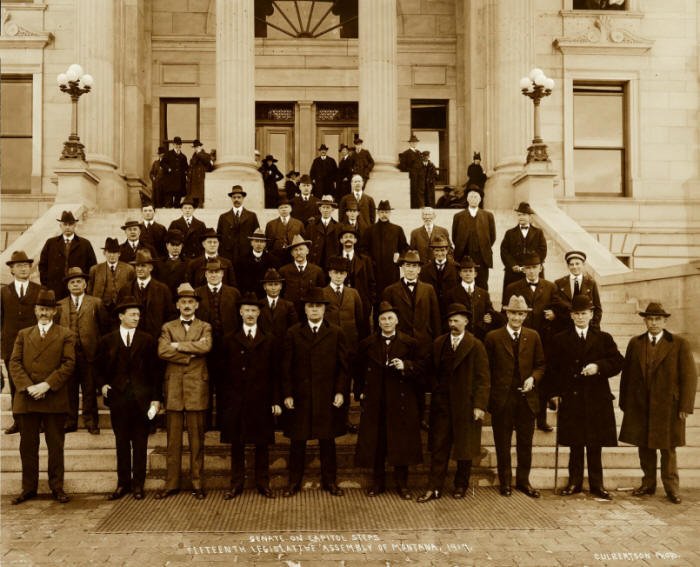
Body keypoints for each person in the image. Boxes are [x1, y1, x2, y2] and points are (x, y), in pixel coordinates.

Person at [619, 302, 698, 504]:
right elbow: (626, 375)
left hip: (668, 407)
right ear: (645, 321)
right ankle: (648, 484)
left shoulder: (679, 344)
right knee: (644, 447)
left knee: (668, 449)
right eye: (650, 319)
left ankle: (672, 488)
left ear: (664, 321)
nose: (653, 323)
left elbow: (689, 377)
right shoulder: (635, 343)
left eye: (657, 319)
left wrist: (685, 407)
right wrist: (625, 403)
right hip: (640, 405)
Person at [550, 295, 624, 500]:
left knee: (594, 443)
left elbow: (618, 361)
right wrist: (554, 394)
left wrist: (598, 367)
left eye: (584, 313)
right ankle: (574, 482)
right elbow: (553, 370)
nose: (580, 317)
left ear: (591, 315)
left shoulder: (603, 338)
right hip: (571, 398)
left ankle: (596, 484)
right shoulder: (560, 339)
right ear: (571, 316)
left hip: (596, 398)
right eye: (576, 314)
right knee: (575, 442)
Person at [417, 303, 490, 502]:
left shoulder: (476, 345)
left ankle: (461, 485)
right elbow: (428, 368)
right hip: (442, 405)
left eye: (456, 320)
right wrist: (436, 387)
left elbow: (483, 378)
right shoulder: (439, 343)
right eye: (450, 321)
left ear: (466, 322)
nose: (452, 324)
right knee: (439, 447)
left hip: (466, 406)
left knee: (464, 449)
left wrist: (479, 405)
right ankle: (434, 487)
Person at [9, 289, 75, 505]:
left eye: (48, 309)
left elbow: (68, 364)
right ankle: (28, 488)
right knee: (28, 446)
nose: (44, 313)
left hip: (53, 397)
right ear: (35, 311)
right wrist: (29, 387)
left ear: (54, 312)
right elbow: (14, 363)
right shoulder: (23, 334)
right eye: (40, 309)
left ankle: (57, 487)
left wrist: (46, 385)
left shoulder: (66, 334)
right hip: (28, 398)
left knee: (55, 446)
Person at [281, 287, 349, 497]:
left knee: (327, 440)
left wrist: (340, 391)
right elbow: (286, 367)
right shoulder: (293, 332)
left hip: (326, 394)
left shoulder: (336, 331)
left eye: (318, 306)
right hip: (301, 396)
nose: (314, 310)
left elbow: (343, 366)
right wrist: (288, 394)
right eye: (310, 306)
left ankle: (330, 481)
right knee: (297, 440)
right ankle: (294, 482)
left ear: (324, 309)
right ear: (305, 309)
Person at [355, 301, 423, 499]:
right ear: (378, 322)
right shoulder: (367, 344)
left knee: (401, 443)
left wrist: (405, 365)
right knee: (377, 443)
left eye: (390, 318)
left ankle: (402, 484)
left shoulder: (410, 343)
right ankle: (378, 483)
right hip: (376, 400)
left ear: (397, 321)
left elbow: (421, 369)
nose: (386, 322)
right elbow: (357, 370)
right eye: (383, 319)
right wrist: (360, 390)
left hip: (401, 401)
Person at [96, 296, 161, 501]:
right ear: (121, 316)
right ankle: (122, 483)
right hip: (119, 400)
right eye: (132, 314)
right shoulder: (107, 340)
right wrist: (103, 384)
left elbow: (155, 373)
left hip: (141, 401)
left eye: (138, 315)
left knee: (140, 444)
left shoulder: (148, 339)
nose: (136, 318)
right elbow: (97, 368)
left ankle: (138, 485)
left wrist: (156, 399)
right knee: (121, 443)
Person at [220, 293, 281, 499]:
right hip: (236, 400)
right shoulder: (229, 339)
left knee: (261, 442)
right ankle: (236, 483)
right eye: (246, 310)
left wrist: (275, 400)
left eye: (254, 311)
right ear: (240, 312)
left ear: (259, 313)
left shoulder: (269, 339)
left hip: (261, 399)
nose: (250, 314)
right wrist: (226, 402)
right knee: (237, 442)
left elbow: (275, 373)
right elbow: (223, 373)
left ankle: (263, 482)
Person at [155, 283, 213, 500]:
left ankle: (198, 483)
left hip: (197, 387)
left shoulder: (205, 326)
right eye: (183, 302)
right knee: (173, 441)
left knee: (197, 440)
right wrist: (189, 353)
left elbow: (206, 347)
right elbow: (162, 351)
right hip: (174, 389)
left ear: (196, 305)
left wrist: (177, 346)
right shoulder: (168, 327)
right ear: (178, 305)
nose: (187, 306)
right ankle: (172, 484)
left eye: (191, 302)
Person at [485, 295, 546, 498]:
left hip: (526, 399)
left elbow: (540, 364)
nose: (517, 318)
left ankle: (523, 481)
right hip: (503, 398)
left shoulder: (533, 336)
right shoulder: (493, 337)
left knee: (525, 443)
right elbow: (487, 370)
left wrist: (533, 379)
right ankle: (505, 482)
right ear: (506, 313)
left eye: (521, 314)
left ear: (525, 316)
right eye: (513, 313)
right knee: (502, 442)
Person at [503, 252, 561, 431]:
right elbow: (504, 311)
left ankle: (541, 420)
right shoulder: (513, 287)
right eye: (527, 268)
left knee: (540, 380)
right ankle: (515, 418)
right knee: (519, 375)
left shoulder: (550, 287)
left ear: (540, 268)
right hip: (521, 339)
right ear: (523, 270)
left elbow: (561, 308)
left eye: (534, 268)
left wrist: (555, 314)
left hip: (543, 340)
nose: (531, 272)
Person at [55, 267, 109, 433]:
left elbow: (104, 328)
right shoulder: (60, 305)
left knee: (89, 389)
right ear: (68, 286)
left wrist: (100, 350)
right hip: (68, 355)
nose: (76, 285)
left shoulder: (95, 303)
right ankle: (70, 421)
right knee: (70, 389)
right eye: (72, 282)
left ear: (85, 284)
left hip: (89, 354)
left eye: (79, 281)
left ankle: (91, 421)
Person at [194, 260, 241, 431]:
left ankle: (224, 425)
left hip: (227, 349)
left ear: (222, 274)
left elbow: (239, 319)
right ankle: (203, 425)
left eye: (217, 272)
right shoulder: (197, 293)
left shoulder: (234, 293)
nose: (213, 275)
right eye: (210, 272)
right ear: (206, 274)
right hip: (204, 348)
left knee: (225, 387)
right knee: (204, 386)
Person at [1, 251, 40, 435]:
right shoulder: (3, 292)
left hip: (34, 345)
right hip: (11, 346)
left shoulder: (39, 290)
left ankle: (37, 421)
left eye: (26, 265)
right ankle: (18, 420)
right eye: (19, 265)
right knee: (15, 382)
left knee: (35, 380)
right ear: (11, 269)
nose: (24, 268)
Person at [381, 250, 441, 357]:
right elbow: (384, 320)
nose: (411, 269)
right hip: (400, 344)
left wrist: (436, 344)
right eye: (408, 265)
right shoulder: (390, 291)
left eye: (414, 266)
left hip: (424, 343)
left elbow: (435, 319)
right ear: (402, 267)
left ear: (419, 269)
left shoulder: (428, 289)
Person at [38, 210, 97, 299]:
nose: (68, 227)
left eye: (70, 224)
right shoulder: (51, 243)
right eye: (65, 224)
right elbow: (42, 265)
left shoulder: (85, 244)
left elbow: (92, 267)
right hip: (55, 289)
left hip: (77, 289)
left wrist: (86, 286)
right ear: (60, 226)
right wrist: (47, 285)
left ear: (75, 225)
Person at [118, 250, 175, 340]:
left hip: (156, 338)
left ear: (151, 268)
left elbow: (170, 316)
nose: (139, 269)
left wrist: (164, 336)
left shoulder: (163, 289)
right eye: (137, 266)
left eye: (143, 266)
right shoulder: (126, 289)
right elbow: (119, 316)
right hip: (133, 339)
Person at [334, 224, 376, 338]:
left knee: (362, 334)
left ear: (355, 240)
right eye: (345, 236)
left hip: (362, 303)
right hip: (340, 304)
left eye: (351, 237)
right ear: (341, 240)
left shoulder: (365, 260)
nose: (348, 239)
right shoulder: (335, 259)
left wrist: (369, 302)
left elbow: (372, 283)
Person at [445, 257, 499, 342]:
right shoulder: (452, 293)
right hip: (460, 336)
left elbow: (490, 311)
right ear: (460, 274)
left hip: (479, 336)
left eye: (470, 271)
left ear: (475, 274)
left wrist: (488, 318)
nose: (468, 274)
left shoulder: (483, 293)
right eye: (465, 271)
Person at [452, 188, 496, 290]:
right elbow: (455, 237)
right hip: (464, 255)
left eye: (476, 197)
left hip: (482, 256)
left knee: (482, 283)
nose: (473, 199)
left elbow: (492, 237)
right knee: (462, 283)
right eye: (471, 196)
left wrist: (483, 247)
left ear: (480, 199)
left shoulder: (488, 216)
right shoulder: (458, 216)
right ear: (467, 199)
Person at [364, 200, 408, 304]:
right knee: (376, 301)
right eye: (382, 212)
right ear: (378, 213)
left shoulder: (397, 229)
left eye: (387, 212)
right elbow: (363, 249)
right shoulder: (370, 230)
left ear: (390, 213)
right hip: (374, 272)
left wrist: (400, 258)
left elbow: (405, 248)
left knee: (392, 299)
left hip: (392, 272)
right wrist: (370, 262)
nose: (384, 215)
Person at [500, 201, 547, 296]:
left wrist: (532, 265)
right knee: (512, 296)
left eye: (524, 215)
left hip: (532, 270)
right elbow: (504, 251)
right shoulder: (510, 233)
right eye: (519, 215)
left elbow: (542, 250)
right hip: (514, 271)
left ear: (530, 217)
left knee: (536, 296)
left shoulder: (538, 232)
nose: (521, 217)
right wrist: (513, 265)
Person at [278, 234, 326, 320]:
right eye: (295, 250)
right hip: (290, 313)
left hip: (310, 314)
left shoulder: (317, 271)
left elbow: (321, 293)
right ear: (292, 253)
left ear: (307, 251)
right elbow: (281, 293)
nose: (298, 253)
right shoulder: (283, 271)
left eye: (301, 249)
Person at [553, 250, 602, 331]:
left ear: (583, 265)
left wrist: (593, 326)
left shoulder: (591, 283)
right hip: (564, 328)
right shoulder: (559, 283)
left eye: (577, 263)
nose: (574, 267)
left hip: (586, 327)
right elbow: (556, 305)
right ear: (568, 266)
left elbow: (597, 307)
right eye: (571, 264)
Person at [88, 238, 136, 316]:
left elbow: (133, 289)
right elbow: (89, 290)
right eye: (109, 252)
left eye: (115, 252)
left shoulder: (129, 269)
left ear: (119, 254)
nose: (112, 255)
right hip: (101, 307)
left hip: (121, 306)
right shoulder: (95, 269)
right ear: (104, 253)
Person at [418, 236, 460, 324]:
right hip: (432, 308)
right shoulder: (425, 269)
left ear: (447, 250)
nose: (440, 253)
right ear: (433, 251)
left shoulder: (456, 268)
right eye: (437, 250)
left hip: (450, 308)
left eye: (442, 250)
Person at [216, 185, 260, 264]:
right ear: (231, 199)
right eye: (234, 197)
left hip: (246, 254)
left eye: (239, 197)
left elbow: (257, 235)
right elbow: (219, 236)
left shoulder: (252, 216)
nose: (236, 199)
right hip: (228, 254)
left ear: (243, 198)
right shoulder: (223, 217)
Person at [258, 268, 299, 345]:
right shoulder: (259, 305)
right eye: (270, 285)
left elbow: (294, 328)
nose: (273, 288)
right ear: (264, 287)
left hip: (282, 345)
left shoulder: (288, 306)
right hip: (263, 345)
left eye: (276, 284)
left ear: (281, 286)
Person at [235, 228, 278, 297]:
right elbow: (239, 281)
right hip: (247, 297)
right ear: (251, 243)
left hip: (265, 297)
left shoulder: (272, 260)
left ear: (265, 244)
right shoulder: (241, 260)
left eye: (262, 242)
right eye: (256, 241)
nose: (259, 244)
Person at [264, 198, 305, 265]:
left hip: (294, 257)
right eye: (281, 208)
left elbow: (303, 242)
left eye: (286, 207)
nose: (284, 209)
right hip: (275, 257)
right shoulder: (271, 224)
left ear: (291, 209)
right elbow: (267, 242)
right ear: (278, 210)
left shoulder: (298, 223)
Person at [306, 195, 339, 270]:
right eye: (323, 207)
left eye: (328, 208)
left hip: (331, 262)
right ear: (320, 209)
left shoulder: (338, 226)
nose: (325, 210)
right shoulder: (312, 226)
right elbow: (307, 245)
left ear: (333, 209)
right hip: (316, 261)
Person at [158, 230, 188, 297]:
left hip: (181, 299)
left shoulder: (189, 263)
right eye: (172, 244)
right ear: (167, 245)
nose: (175, 248)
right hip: (163, 298)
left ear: (182, 246)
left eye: (178, 245)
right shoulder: (159, 264)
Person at [162, 136, 189, 208]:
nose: (178, 146)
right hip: (170, 180)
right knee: (169, 200)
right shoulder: (168, 154)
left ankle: (176, 208)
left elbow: (186, 167)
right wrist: (168, 169)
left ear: (181, 145)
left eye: (179, 144)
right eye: (176, 144)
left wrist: (187, 174)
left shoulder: (183, 156)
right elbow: (162, 163)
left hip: (180, 180)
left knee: (178, 199)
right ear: (173, 145)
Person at [186, 139, 214, 208]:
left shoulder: (205, 155)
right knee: (193, 194)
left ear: (201, 147)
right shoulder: (193, 157)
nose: (196, 149)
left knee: (200, 194)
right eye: (195, 147)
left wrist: (199, 154)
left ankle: (200, 204)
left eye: (198, 147)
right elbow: (191, 166)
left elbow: (209, 164)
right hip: (193, 178)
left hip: (201, 177)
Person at [398, 134, 423, 208]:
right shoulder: (406, 153)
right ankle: (414, 206)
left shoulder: (419, 152)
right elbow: (402, 166)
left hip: (419, 176)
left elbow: (421, 164)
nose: (414, 143)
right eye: (412, 142)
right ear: (410, 143)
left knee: (420, 191)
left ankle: (419, 206)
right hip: (412, 176)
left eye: (415, 142)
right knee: (413, 191)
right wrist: (411, 171)